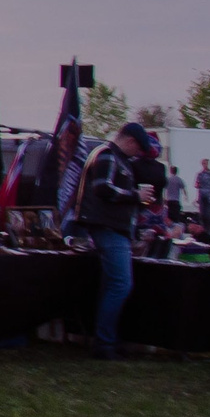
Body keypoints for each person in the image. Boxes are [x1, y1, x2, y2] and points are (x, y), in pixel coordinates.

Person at [74, 121, 150, 361]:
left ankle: (106, 339)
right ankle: (105, 342)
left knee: (111, 285)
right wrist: (136, 195)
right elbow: (102, 188)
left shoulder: (112, 157)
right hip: (108, 228)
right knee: (121, 285)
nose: (137, 155)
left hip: (111, 228)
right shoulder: (108, 156)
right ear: (130, 142)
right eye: (137, 149)